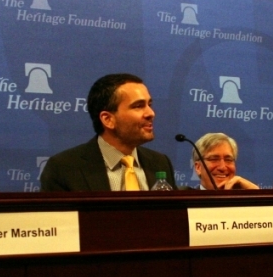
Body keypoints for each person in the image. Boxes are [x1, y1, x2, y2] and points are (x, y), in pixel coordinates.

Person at [40, 73, 176, 191]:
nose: (151, 113)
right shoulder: (65, 167)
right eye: (138, 106)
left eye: (149, 105)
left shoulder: (160, 163)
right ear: (108, 119)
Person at [191, 132, 258, 190]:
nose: (222, 167)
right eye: (214, 159)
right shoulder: (184, 201)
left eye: (228, 160)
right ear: (198, 167)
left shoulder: (244, 201)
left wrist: (255, 195)